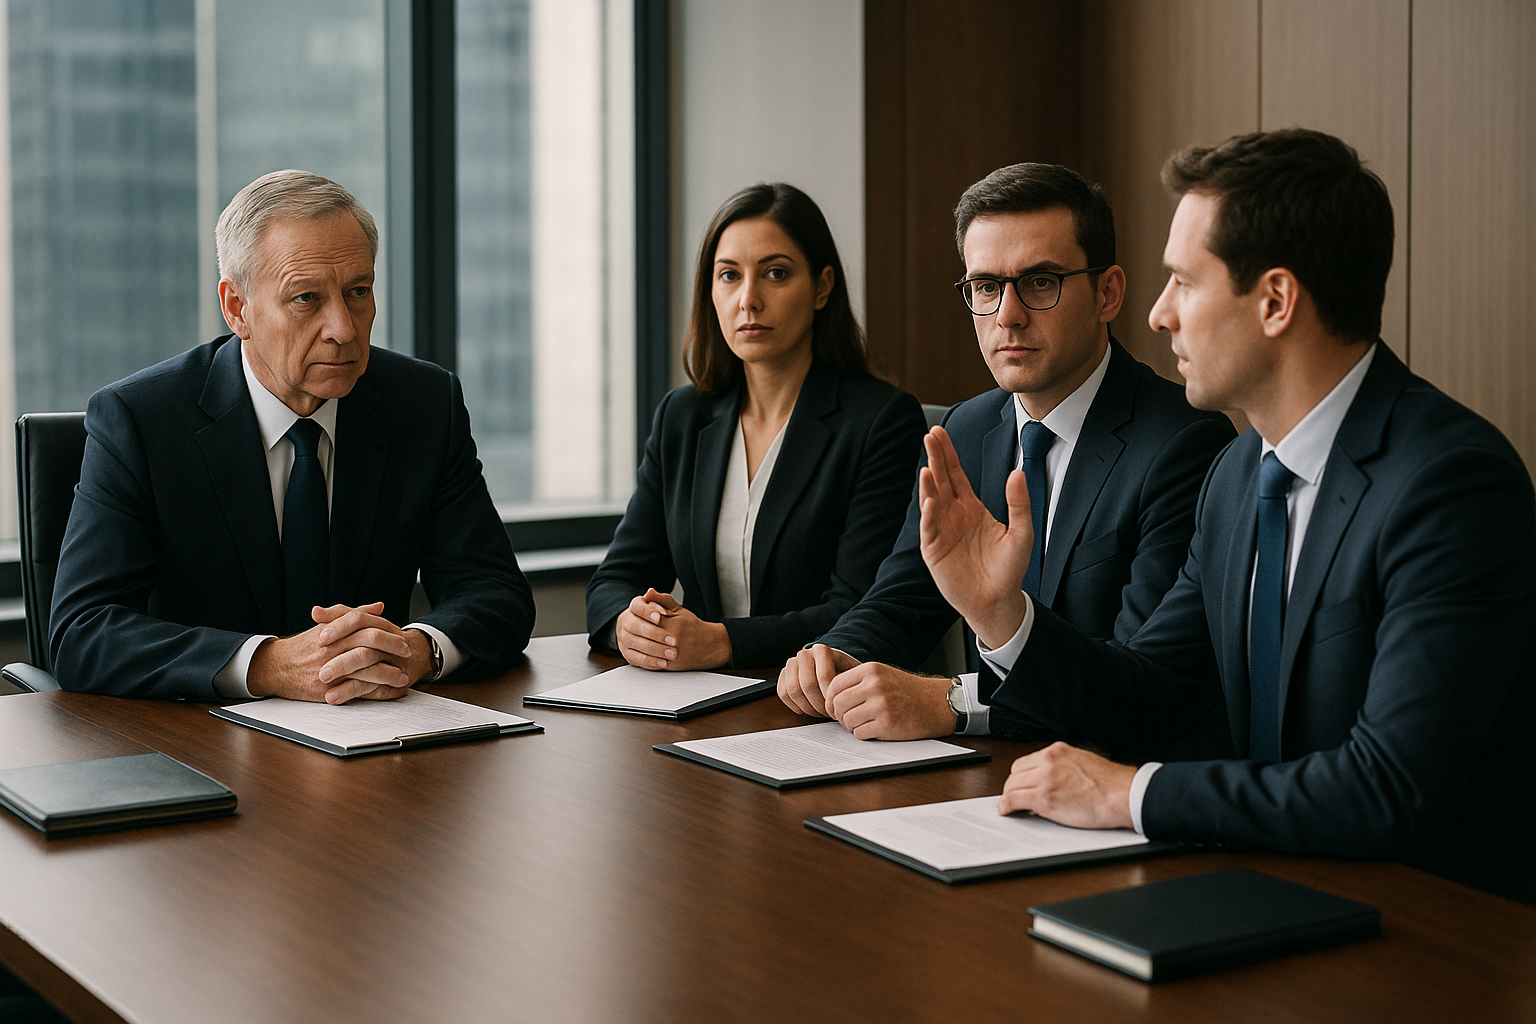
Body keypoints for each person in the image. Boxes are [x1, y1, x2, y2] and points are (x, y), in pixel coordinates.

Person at [923, 129, 1534, 902]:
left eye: (1183, 281)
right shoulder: (1239, 471)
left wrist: (1129, 795)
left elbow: (1389, 788)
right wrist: (1001, 615)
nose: (1156, 315)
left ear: (1275, 301)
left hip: (1431, 926)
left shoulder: (1451, 485)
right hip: (1260, 883)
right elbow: (1155, 692)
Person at [777, 163, 1235, 740]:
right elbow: (903, 597)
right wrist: (834, 654)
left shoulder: (1185, 442)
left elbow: (1140, 679)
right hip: (986, 783)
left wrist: (954, 701)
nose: (1007, 315)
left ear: (1108, 293)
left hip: (1112, 776)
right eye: (986, 287)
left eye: (1041, 283)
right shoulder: (965, 430)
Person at [50, 170, 536, 702]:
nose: (344, 329)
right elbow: (83, 633)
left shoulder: (422, 405)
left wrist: (417, 649)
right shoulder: (140, 420)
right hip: (202, 744)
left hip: (373, 739)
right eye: (306, 298)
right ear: (238, 308)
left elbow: (496, 593)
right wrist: (267, 664)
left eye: (358, 292)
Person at [586, 183, 926, 670]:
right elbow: (615, 578)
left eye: (775, 273)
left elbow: (859, 608)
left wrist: (723, 642)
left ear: (822, 287)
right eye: (729, 275)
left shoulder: (881, 421)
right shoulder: (682, 418)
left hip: (825, 706)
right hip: (697, 700)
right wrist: (627, 624)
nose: (749, 299)